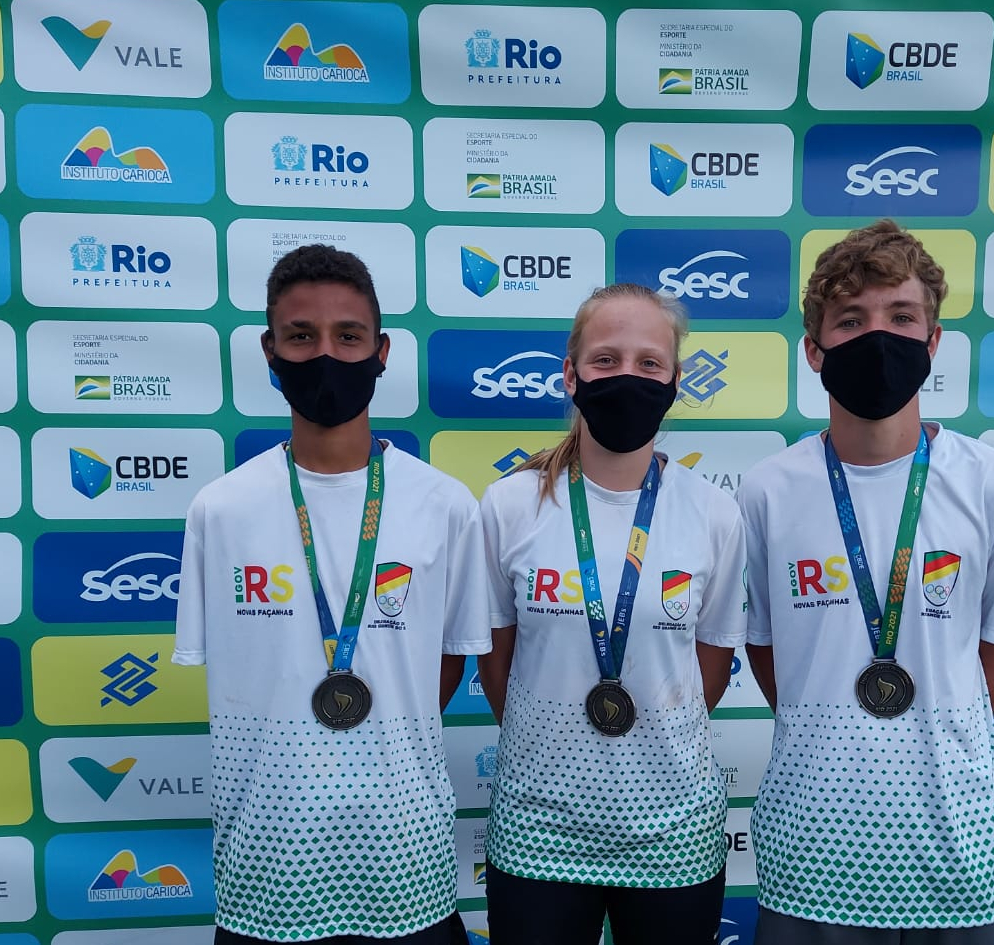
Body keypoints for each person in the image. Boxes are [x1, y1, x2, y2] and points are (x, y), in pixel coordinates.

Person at [173, 244, 488, 944]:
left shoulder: (445, 505)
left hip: (405, 862)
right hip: (269, 867)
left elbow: (445, 665)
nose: (325, 354)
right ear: (270, 351)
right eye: (300, 336)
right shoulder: (220, 510)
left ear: (382, 351)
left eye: (348, 336)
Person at [738, 219, 994, 945]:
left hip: (957, 848)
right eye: (851, 320)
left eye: (901, 318)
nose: (878, 337)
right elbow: (769, 652)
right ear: (814, 350)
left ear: (933, 342)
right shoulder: (767, 490)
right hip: (813, 849)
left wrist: (930, 728)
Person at [477, 283, 747, 945]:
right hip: (539, 828)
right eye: (606, 359)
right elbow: (498, 665)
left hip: (673, 830)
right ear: (571, 376)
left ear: (675, 381)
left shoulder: (714, 513)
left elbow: (708, 670)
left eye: (649, 362)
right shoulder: (510, 506)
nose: (628, 375)